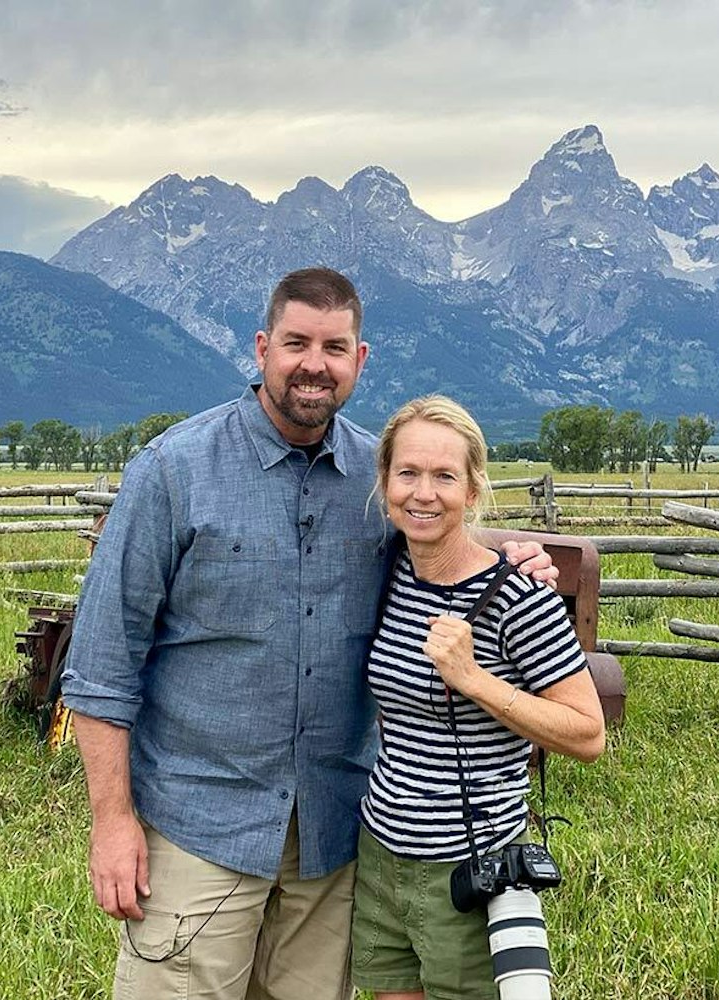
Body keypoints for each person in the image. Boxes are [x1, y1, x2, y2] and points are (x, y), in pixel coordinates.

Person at [60, 267, 558, 1000]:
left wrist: (516, 563)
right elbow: (102, 666)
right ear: (262, 348)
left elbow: (442, 547)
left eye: (335, 346)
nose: (313, 364)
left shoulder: (379, 478)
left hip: (332, 834)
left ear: (361, 361)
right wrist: (112, 822)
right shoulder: (173, 471)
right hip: (201, 824)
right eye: (296, 342)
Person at [351, 395, 605, 1000]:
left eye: (445, 476)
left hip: (469, 864)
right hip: (379, 854)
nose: (423, 492)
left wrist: (474, 680)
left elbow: (587, 732)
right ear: (384, 480)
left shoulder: (520, 599)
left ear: (473, 489)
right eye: (407, 472)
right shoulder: (388, 571)